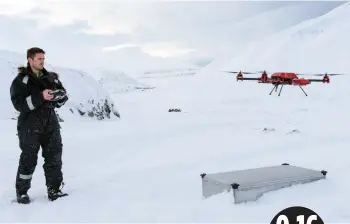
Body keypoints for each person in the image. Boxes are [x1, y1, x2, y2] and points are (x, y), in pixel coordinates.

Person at [10, 47, 69, 204]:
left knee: (54, 156)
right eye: (39, 59)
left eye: (43, 58)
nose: (43, 61)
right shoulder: (20, 81)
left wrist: (60, 97)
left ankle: (54, 189)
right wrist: (40, 96)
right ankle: (22, 192)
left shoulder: (51, 78)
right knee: (29, 159)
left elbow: (62, 98)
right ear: (30, 60)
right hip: (29, 125)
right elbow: (19, 105)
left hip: (50, 122)